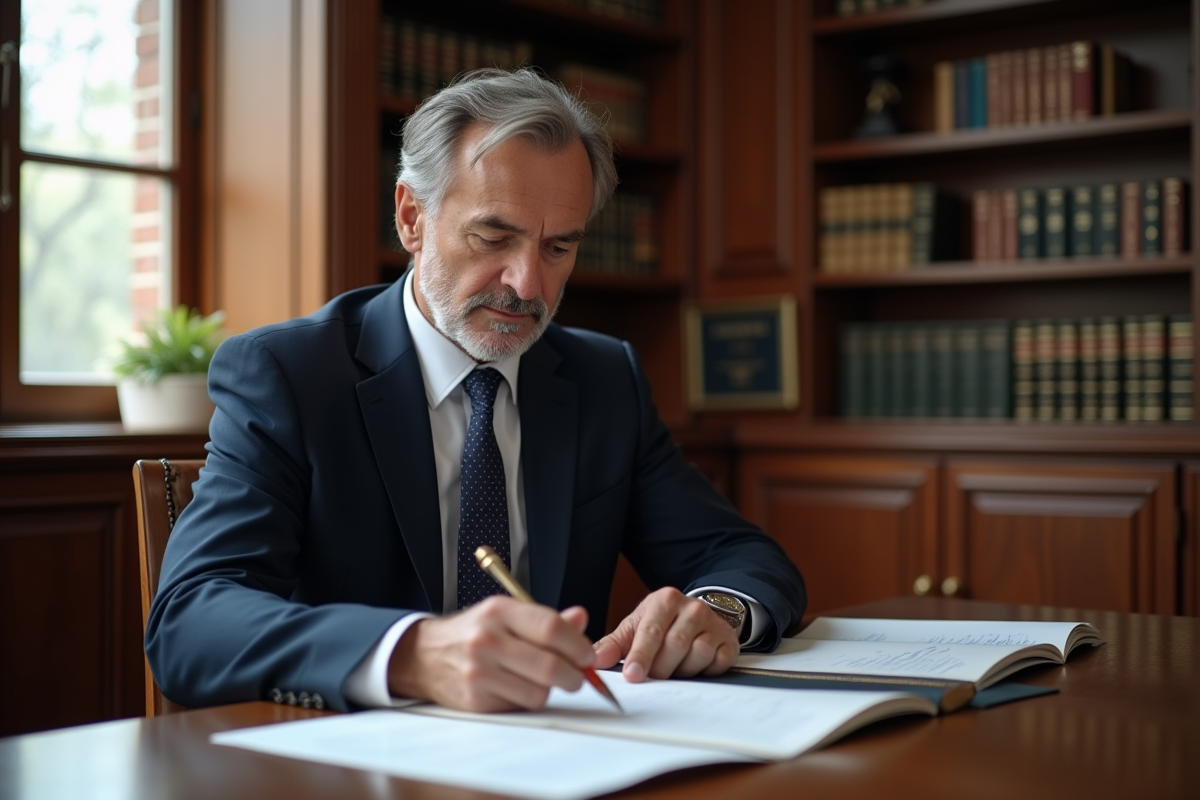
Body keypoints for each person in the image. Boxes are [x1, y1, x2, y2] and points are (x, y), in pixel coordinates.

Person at [146, 68, 805, 714]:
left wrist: (713, 612)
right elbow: (190, 622)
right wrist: (412, 653)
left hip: (565, 756)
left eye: (558, 248)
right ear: (411, 217)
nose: (527, 285)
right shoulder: (289, 375)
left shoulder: (605, 380)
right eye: (494, 237)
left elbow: (740, 554)